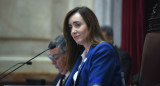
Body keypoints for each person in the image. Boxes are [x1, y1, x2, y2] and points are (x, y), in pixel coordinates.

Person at [63, 6, 122, 86]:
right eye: (70, 27)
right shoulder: (81, 54)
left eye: (77, 25)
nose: (73, 31)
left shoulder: (103, 50)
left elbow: (96, 82)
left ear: (90, 26)